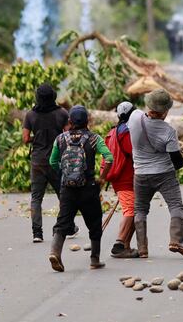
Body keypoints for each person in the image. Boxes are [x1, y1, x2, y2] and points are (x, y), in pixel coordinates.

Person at [127, 89, 183, 260]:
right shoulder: (169, 131)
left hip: (141, 174)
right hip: (165, 174)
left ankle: (142, 249)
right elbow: (178, 162)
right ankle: (176, 240)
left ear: (148, 105)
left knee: (140, 209)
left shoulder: (134, 118)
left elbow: (130, 110)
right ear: (165, 112)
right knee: (175, 206)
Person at [47, 106, 113, 271]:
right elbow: (109, 158)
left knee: (62, 222)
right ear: (87, 121)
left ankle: (55, 252)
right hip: (88, 188)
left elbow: (52, 162)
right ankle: (95, 259)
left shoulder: (60, 139)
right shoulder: (94, 139)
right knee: (95, 222)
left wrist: (65, 174)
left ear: (70, 122)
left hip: (67, 189)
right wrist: (102, 178)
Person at [23, 83, 73, 243]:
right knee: (63, 195)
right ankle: (69, 227)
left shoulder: (30, 115)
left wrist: (36, 137)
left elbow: (25, 139)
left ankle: (37, 233)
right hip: (56, 161)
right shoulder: (62, 113)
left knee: (36, 197)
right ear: (53, 96)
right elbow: (68, 134)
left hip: (37, 161)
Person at [102, 101, 138, 258]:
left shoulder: (113, 132)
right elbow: (136, 155)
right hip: (126, 178)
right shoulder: (127, 133)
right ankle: (119, 244)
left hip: (117, 178)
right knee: (130, 210)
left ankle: (126, 247)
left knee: (136, 211)